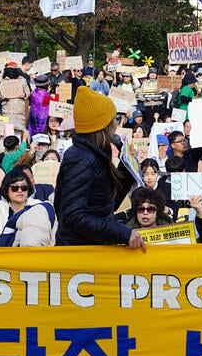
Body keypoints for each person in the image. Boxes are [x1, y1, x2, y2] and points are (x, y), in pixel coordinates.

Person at [54, 87, 143, 249]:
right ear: (104, 125)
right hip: (79, 252)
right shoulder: (81, 158)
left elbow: (104, 206)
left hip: (93, 246)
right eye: (115, 118)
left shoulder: (96, 153)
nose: (118, 122)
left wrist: (127, 168)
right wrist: (123, 233)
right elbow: (72, 216)